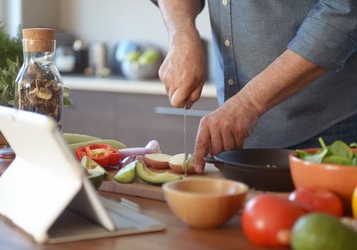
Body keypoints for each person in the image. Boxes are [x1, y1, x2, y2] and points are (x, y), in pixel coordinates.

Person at [152, 0, 357, 173]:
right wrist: (182, 33)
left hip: (328, 129)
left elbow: (343, 11)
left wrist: (249, 102)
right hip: (239, 130)